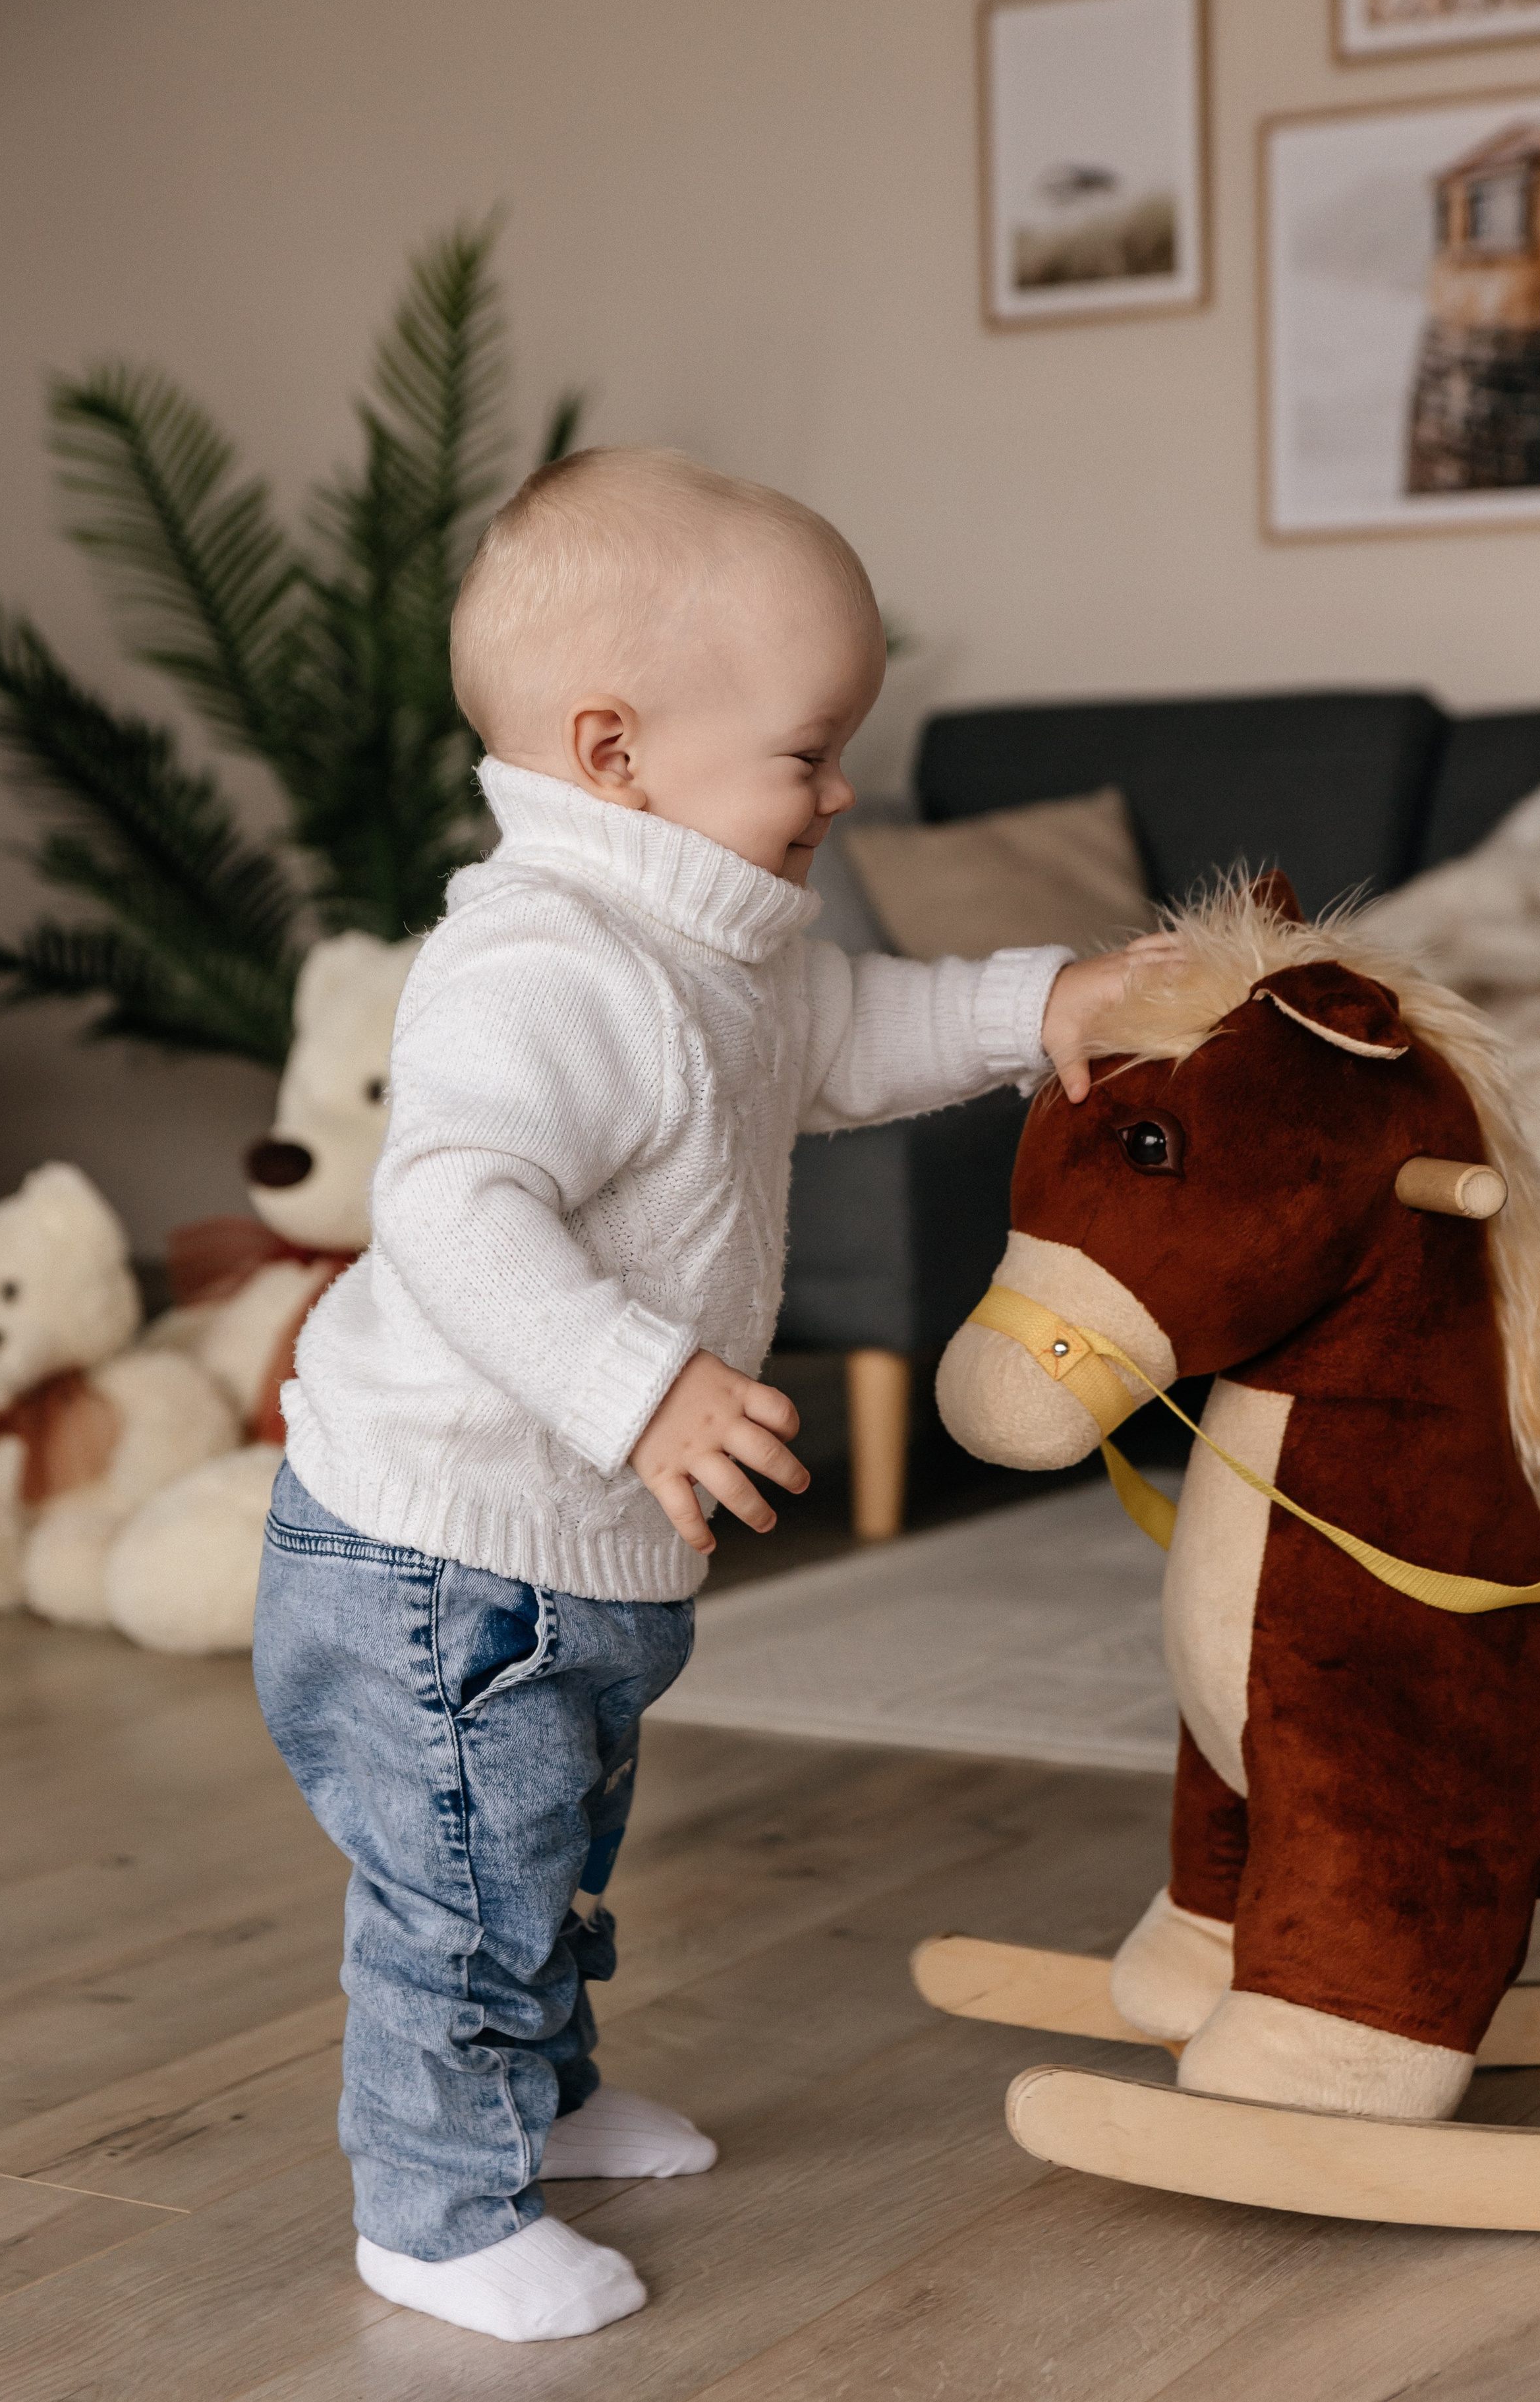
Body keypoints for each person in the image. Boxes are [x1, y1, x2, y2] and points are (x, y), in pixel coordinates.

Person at [252, 446, 1162, 2344]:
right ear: (616, 751)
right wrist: (644, 1381)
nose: (840, 790)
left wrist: (1043, 1003)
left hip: (569, 1547)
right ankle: (431, 2204)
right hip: (433, 1549)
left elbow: (854, 1028)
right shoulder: (542, 961)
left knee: (558, 1847)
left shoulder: (723, 939)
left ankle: (546, 2095)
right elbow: (446, 1202)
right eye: (813, 750)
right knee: (464, 1882)